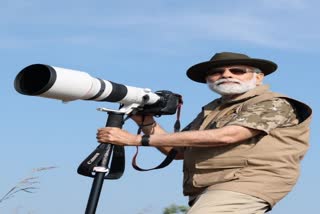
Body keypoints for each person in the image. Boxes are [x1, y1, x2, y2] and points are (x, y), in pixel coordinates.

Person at [96, 52, 312, 214]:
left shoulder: (274, 103)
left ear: (258, 77)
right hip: (209, 187)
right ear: (209, 80)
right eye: (216, 72)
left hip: (246, 183)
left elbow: (229, 135)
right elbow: (177, 151)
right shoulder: (212, 109)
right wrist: (146, 122)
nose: (225, 75)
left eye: (237, 71)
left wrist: (136, 140)